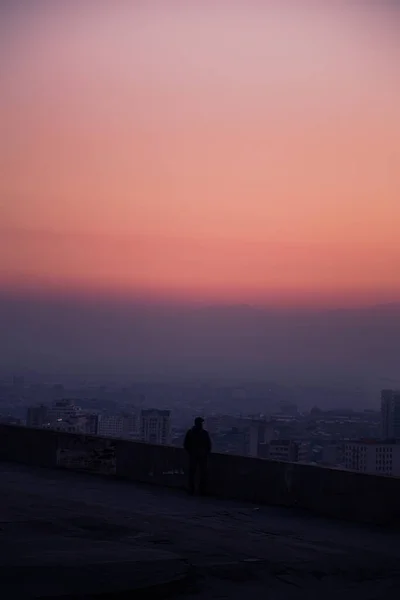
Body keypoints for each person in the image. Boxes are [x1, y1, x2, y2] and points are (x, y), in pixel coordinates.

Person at [184, 417, 212, 495]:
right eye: (201, 423)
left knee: (194, 473)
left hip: (197, 456)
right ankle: (199, 490)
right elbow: (209, 445)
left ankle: (193, 489)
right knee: (198, 473)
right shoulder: (202, 433)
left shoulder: (191, 432)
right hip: (199, 456)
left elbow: (186, 444)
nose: (201, 424)